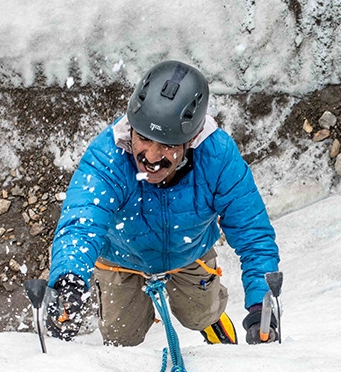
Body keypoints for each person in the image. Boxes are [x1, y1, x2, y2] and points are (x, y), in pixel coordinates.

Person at [46, 60, 280, 346]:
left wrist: (260, 306)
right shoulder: (108, 157)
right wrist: (68, 279)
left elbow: (252, 233)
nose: (152, 157)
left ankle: (211, 322)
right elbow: (81, 222)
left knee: (200, 314)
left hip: (188, 251)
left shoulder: (217, 157)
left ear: (191, 139)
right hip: (120, 259)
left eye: (168, 144)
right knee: (122, 337)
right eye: (144, 138)